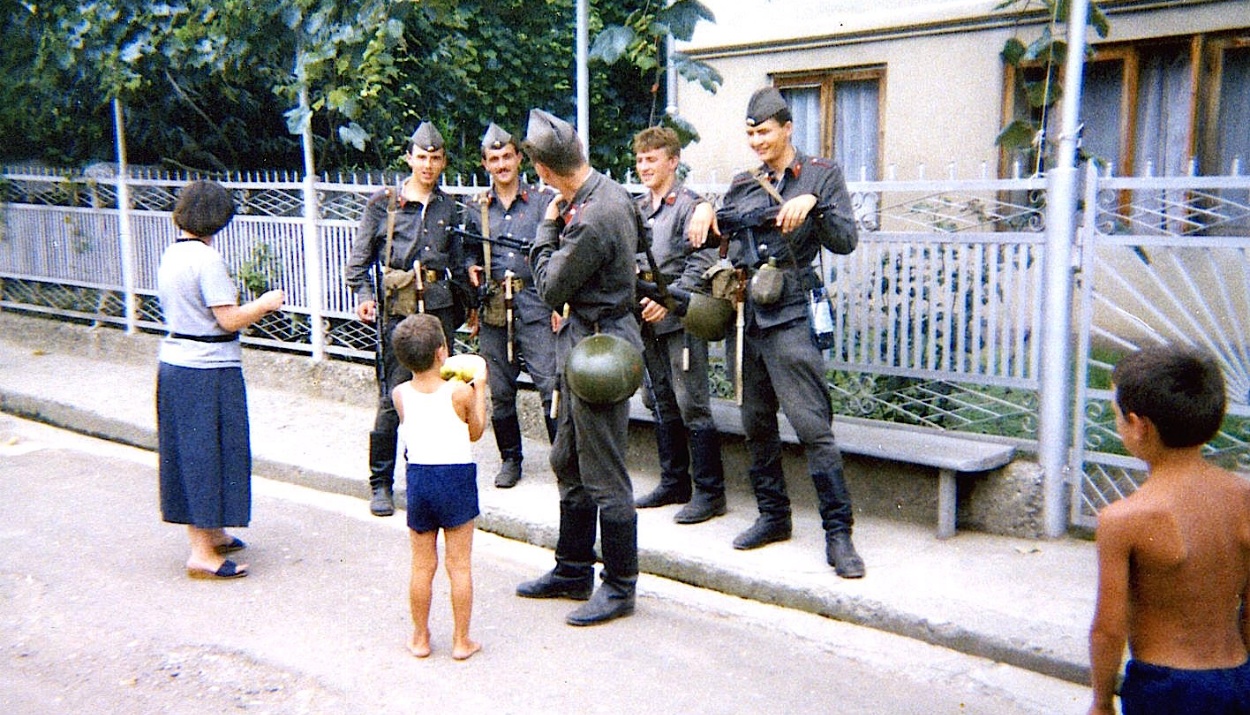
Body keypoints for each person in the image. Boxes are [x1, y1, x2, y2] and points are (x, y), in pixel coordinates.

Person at [714, 87, 865, 578]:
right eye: (750, 134)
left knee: (812, 426)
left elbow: (845, 240)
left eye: (764, 132)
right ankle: (774, 517)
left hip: (793, 312)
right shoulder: (745, 182)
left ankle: (838, 535)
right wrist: (703, 212)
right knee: (756, 421)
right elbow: (725, 222)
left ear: (787, 128)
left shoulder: (822, 174)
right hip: (751, 316)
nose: (757, 141)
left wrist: (814, 204)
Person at [514, 108, 645, 626]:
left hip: (600, 350)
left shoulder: (588, 217)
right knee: (568, 458)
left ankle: (620, 587)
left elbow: (550, 286)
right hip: (585, 341)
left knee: (605, 471)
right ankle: (572, 568)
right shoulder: (608, 192)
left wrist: (546, 229)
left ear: (545, 171)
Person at [1087, 344, 1250, 715]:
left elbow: (1108, 629)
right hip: (1239, 676)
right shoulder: (1245, 496)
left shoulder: (1124, 519)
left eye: (1118, 417)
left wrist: (1101, 702)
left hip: (1167, 688)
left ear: (1140, 427)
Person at [156, 180, 285, 580]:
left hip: (178, 362)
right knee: (206, 455)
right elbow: (227, 318)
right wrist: (265, 305)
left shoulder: (171, 254)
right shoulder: (207, 260)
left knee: (202, 451)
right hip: (207, 367)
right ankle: (201, 553)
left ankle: (212, 532)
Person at [345, 121, 472, 517]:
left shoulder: (451, 207)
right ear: (409, 158)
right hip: (399, 315)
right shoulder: (383, 203)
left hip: (438, 314)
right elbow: (357, 264)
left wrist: (469, 286)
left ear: (443, 162)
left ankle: (432, 476)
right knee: (392, 399)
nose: (428, 166)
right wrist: (365, 297)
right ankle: (380, 483)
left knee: (442, 397)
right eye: (422, 158)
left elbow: (458, 258)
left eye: (435, 159)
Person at [630, 126, 728, 524]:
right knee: (659, 399)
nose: (644, 167)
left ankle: (710, 493)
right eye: (639, 160)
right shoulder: (637, 208)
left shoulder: (689, 206)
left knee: (692, 402)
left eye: (652, 159)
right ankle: (674, 482)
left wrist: (668, 303)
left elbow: (701, 263)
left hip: (681, 319)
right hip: (646, 319)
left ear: (673, 161)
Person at [463, 122, 560, 489]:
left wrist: (557, 303)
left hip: (535, 305)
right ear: (485, 164)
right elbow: (467, 251)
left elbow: (559, 252)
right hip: (492, 311)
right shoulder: (476, 209)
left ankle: (562, 459)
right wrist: (471, 265)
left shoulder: (541, 202)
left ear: (519, 158)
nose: (502, 164)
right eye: (494, 159)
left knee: (552, 385)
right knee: (500, 392)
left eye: (507, 156)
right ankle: (510, 460)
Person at [391, 313, 487, 661]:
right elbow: (475, 432)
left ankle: (420, 638)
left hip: (420, 480)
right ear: (441, 353)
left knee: (422, 566)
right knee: (459, 566)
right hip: (456, 479)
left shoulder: (399, 393)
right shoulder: (459, 391)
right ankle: (461, 641)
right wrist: (481, 387)